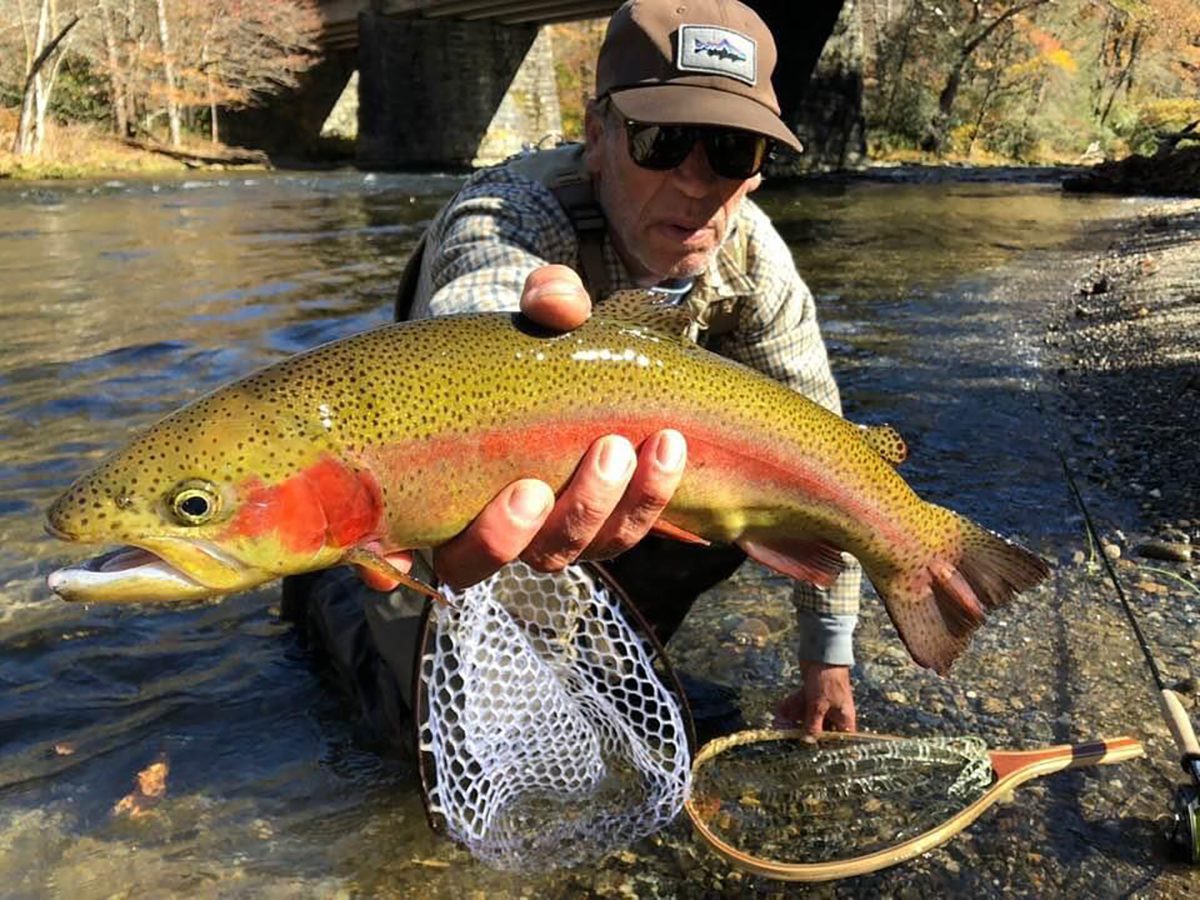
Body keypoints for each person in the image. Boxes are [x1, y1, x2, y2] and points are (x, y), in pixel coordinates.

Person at [284, 0, 860, 749]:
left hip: (612, 501)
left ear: (755, 175)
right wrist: (513, 343)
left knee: (738, 495)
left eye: (732, 148)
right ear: (597, 136)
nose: (696, 181)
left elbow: (833, 467)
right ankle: (324, 593)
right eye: (663, 140)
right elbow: (480, 296)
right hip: (440, 502)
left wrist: (828, 657)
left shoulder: (758, 268)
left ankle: (605, 654)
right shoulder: (506, 214)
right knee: (433, 739)